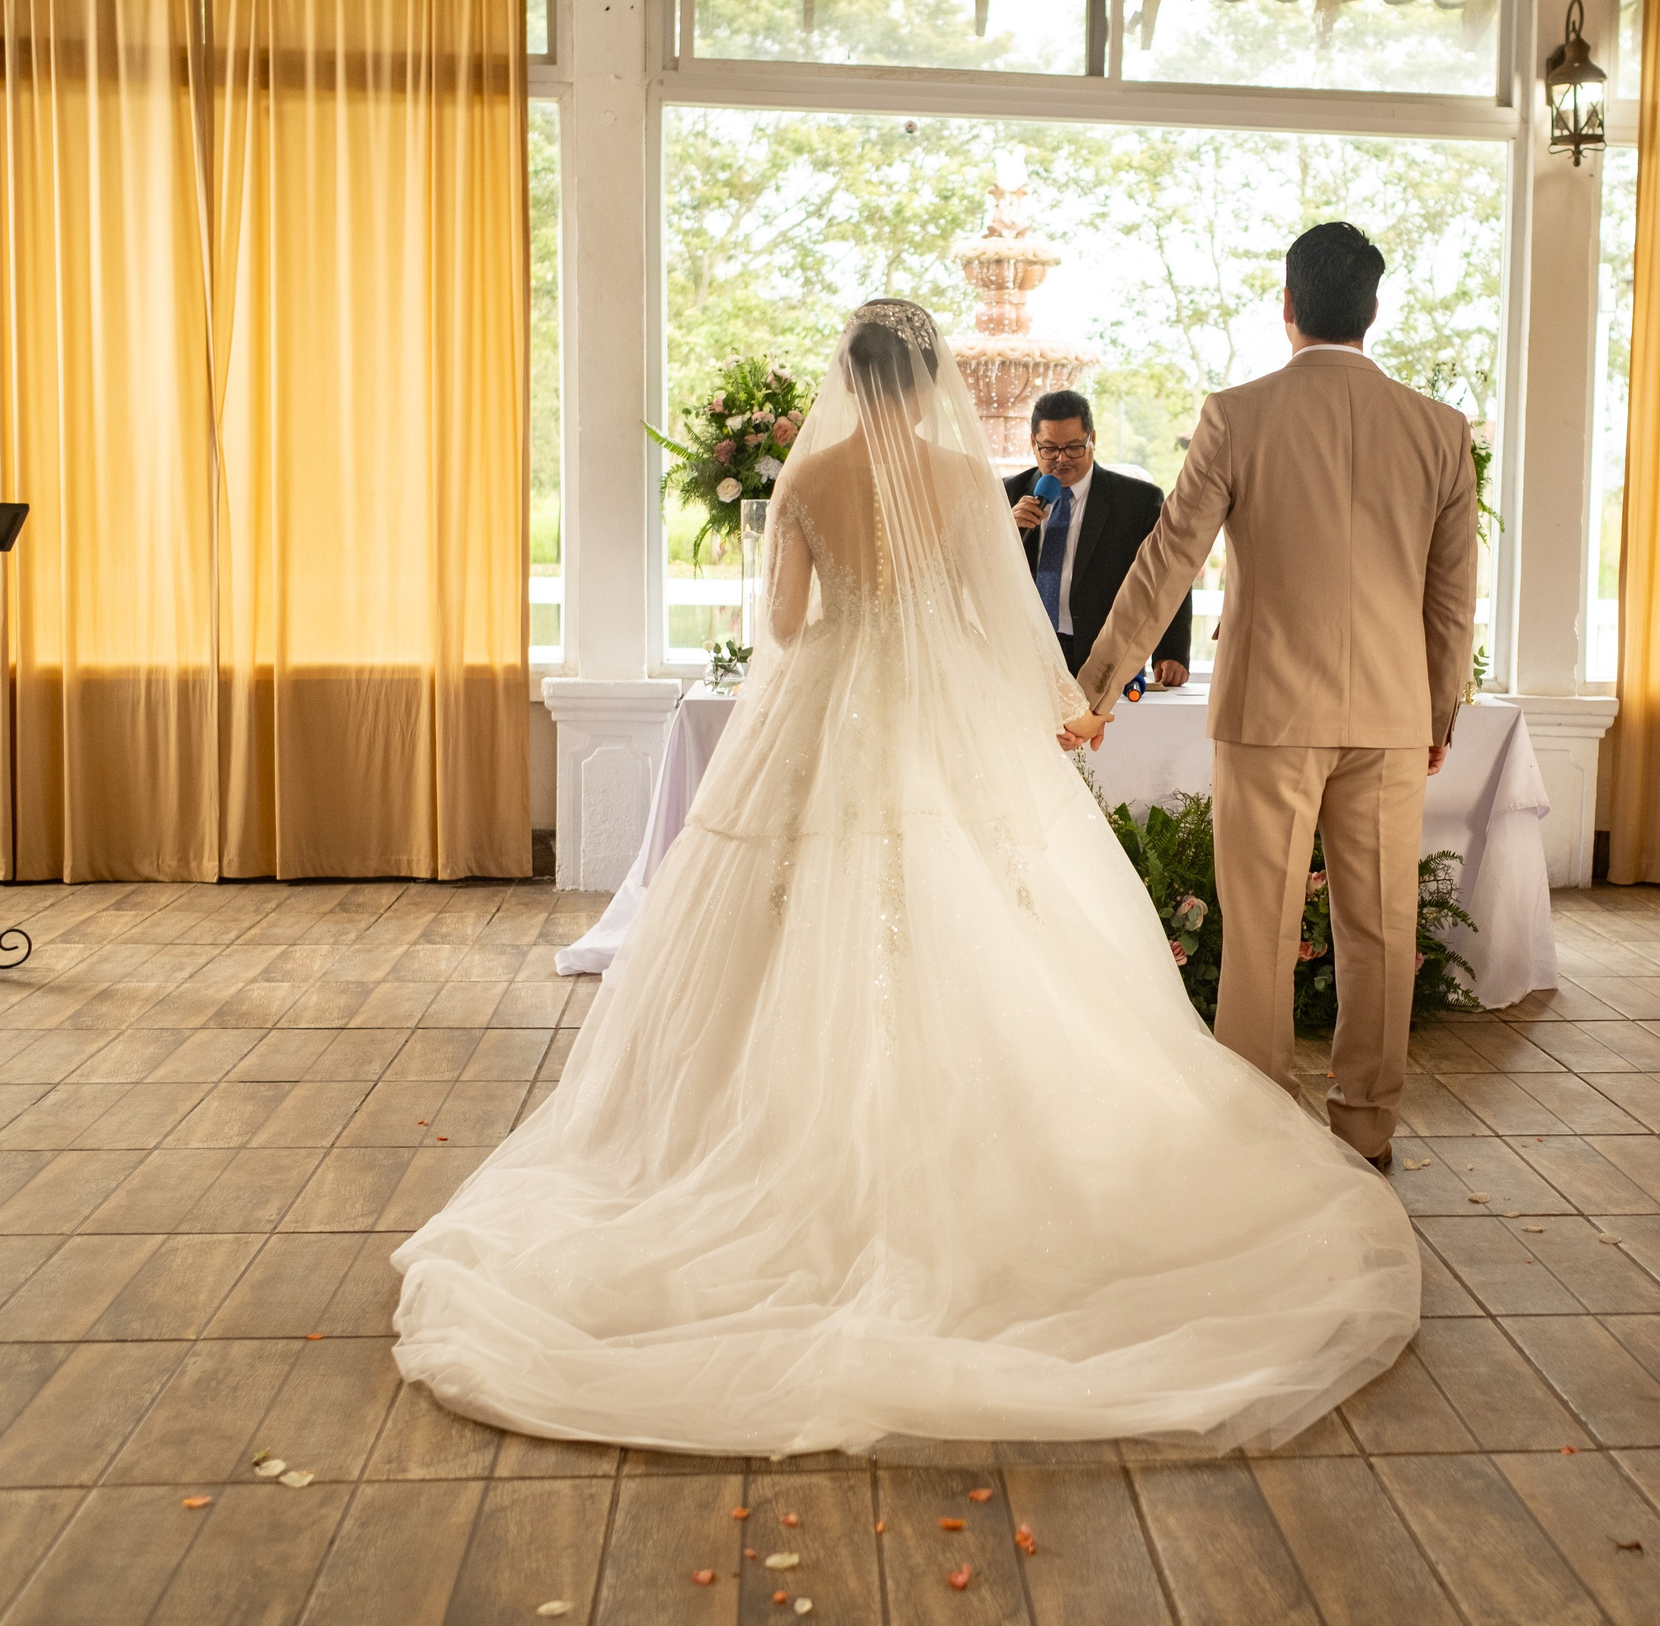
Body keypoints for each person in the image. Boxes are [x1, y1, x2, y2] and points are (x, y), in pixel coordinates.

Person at [391, 299, 1417, 1458]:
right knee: (992, 909)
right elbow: (995, 622)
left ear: (848, 376)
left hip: (835, 705)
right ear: (927, 378)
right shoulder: (965, 481)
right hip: (943, 724)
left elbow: (785, 623)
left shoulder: (810, 478)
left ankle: (763, 1134)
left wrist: (840, 613)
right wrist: (1057, 707)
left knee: (786, 912)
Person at [1065, 224, 1481, 1172]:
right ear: (1373, 311)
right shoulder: (1438, 429)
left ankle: (1257, 1139)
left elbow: (1169, 557)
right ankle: (1367, 1129)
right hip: (1388, 715)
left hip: (1267, 713)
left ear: (1286, 307)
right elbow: (1452, 596)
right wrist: (1438, 715)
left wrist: (1098, 689)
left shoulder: (1236, 414)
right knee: (1377, 929)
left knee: (1258, 927)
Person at [1005, 390, 1193, 686]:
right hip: (1024, 655)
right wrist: (1006, 531)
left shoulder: (1138, 501)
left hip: (1106, 656)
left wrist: (1171, 651)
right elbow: (977, 574)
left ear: (1092, 438)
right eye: (1050, 449)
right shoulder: (1007, 496)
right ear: (1033, 443)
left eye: (1074, 448)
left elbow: (1168, 576)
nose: (1061, 459)